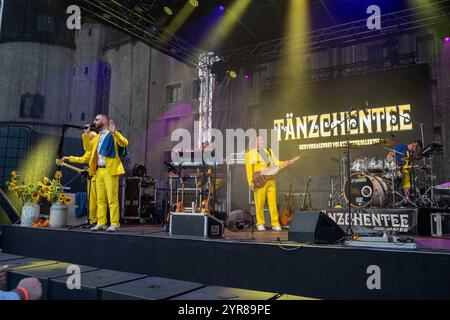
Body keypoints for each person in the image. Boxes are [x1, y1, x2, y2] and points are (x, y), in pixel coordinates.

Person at [63, 114, 128, 232]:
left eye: (97, 119)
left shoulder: (113, 134)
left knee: (112, 199)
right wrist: (86, 134)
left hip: (110, 170)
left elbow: (124, 143)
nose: (95, 121)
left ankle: (114, 223)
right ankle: (101, 223)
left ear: (104, 121)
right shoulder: (97, 137)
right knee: (100, 199)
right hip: (99, 171)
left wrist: (115, 133)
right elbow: (88, 148)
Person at [245, 136, 292, 231]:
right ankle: (260, 223)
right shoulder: (250, 154)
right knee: (260, 203)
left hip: (270, 180)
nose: (261, 142)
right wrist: (251, 183)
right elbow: (249, 170)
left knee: (272, 203)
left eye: (262, 140)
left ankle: (275, 223)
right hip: (259, 182)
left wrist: (285, 162)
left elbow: (276, 163)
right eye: (258, 140)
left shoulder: (269, 151)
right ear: (255, 142)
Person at [62, 123, 98, 228]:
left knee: (98, 200)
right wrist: (68, 158)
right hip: (92, 176)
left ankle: (99, 221)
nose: (88, 137)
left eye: (90, 135)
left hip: (98, 174)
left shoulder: (96, 144)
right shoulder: (90, 149)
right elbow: (83, 159)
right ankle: (92, 221)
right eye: (87, 136)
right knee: (91, 200)